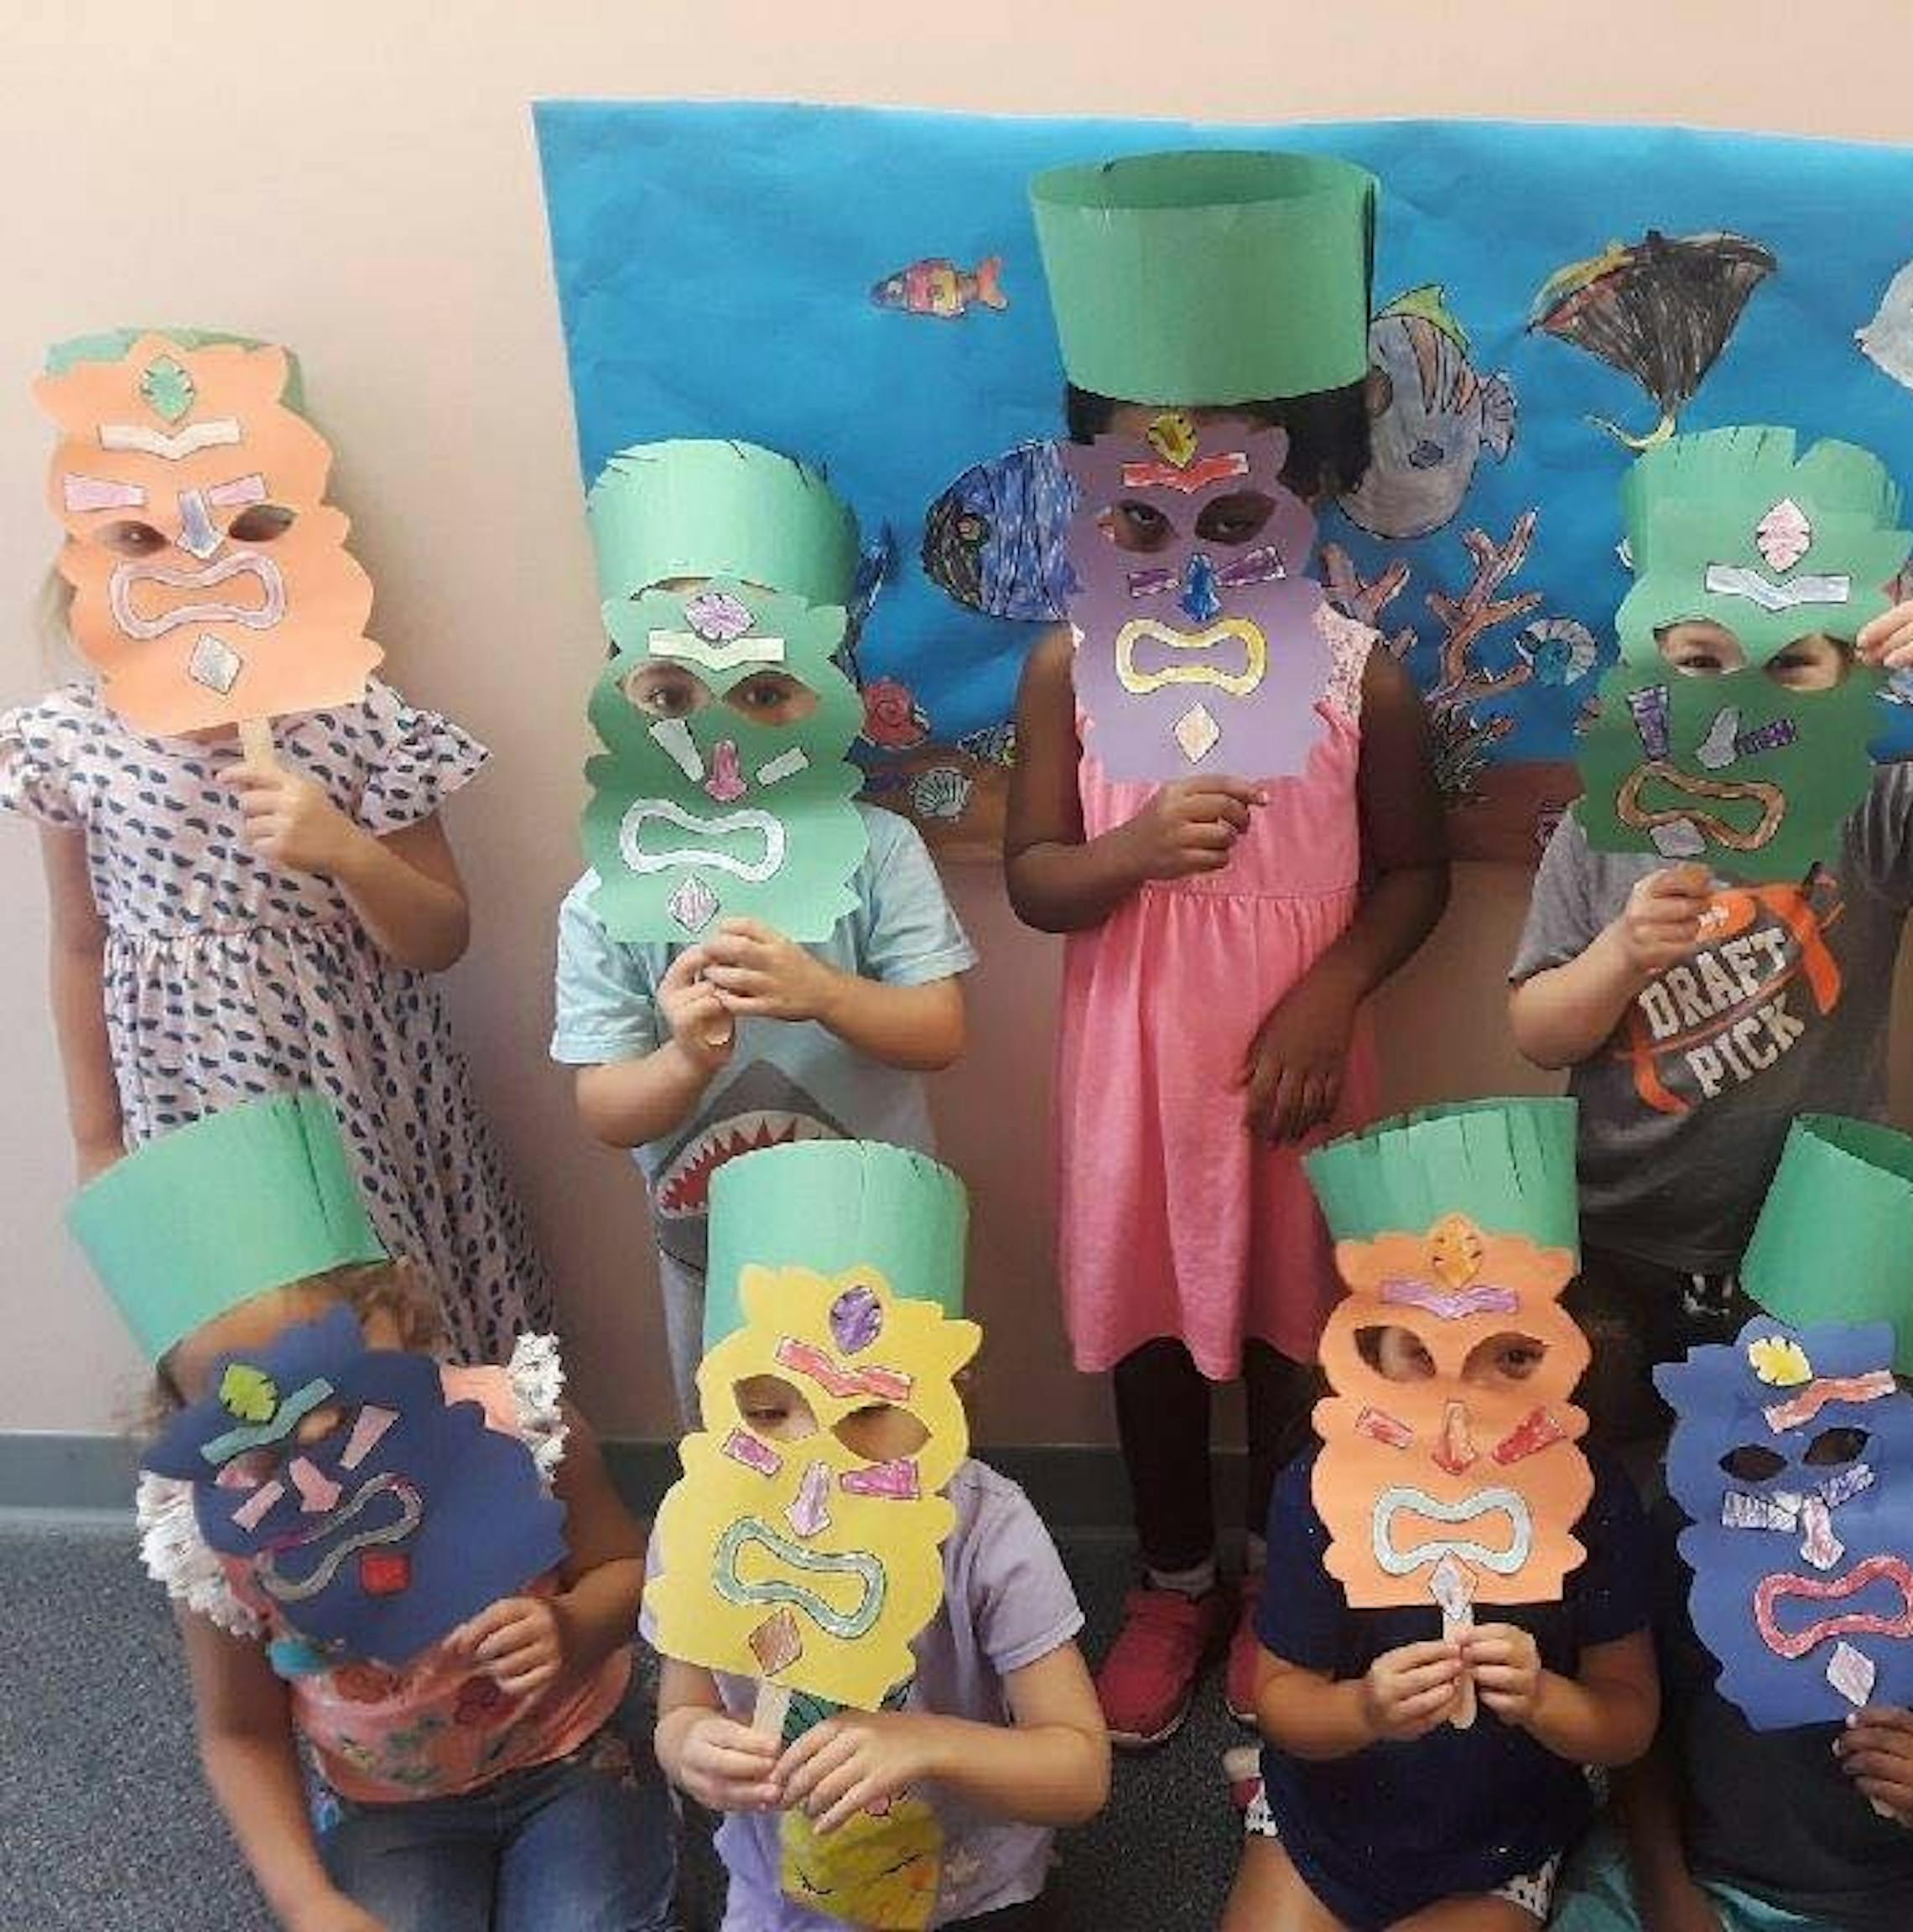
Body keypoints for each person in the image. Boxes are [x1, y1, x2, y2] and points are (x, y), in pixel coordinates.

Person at [1007, 150, 1449, 1743]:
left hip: (1294, 1063)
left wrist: (1331, 992)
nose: (1187, 534)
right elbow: (1035, 884)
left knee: (1289, 1329)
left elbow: (1415, 874)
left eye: (1235, 501)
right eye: (1140, 505)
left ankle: (1283, 1579)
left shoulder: (1356, 675)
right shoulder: (1069, 668)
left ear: (1304, 487)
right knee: (1143, 1325)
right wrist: (1129, 854)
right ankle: (1170, 1578)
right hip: (1132, 1067)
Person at [1507, 427, 1913, 1445]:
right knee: (1599, 1455)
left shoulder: (1874, 814)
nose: (1744, 692)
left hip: (1810, 1237)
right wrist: (1619, 957)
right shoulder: (1599, 825)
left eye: (1792, 663)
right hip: (1619, 1230)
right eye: (1703, 659)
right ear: (1654, 666)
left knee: (1778, 1474)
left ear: (1845, 677)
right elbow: (1538, 1035)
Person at [9, 327, 548, 1359]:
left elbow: (441, 938)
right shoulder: (72, 743)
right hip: (188, 1099)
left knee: (402, 1317)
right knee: (261, 1344)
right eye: (138, 538)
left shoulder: (362, 721)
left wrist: (346, 851)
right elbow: (78, 943)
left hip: (359, 1086)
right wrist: (96, 1138)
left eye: (247, 528)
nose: (196, 567)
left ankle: (474, 1453)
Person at [80, 1094, 671, 1932]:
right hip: (388, 1807)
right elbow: (240, 1732)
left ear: (395, 1310)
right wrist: (307, 1900)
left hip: (572, 1753)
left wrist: (571, 1628)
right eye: (252, 1409)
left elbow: (627, 1571)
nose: (315, 1428)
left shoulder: (520, 1426)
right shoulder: (217, 1538)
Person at [551, 439, 972, 1406]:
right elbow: (604, 1107)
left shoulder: (878, 852)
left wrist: (825, 993)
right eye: (671, 695)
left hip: (878, 1242)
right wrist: (683, 1061)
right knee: (736, 1441)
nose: (722, 733)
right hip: (710, 1254)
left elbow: (941, 1031)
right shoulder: (604, 900)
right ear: (621, 703)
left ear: (826, 697)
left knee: (899, 1433)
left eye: (766, 693)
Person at [1554, 1120, 1913, 1932]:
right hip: (1686, 1876)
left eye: (1849, 1439)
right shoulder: (1685, 1534)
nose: (1802, 1468)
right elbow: (1645, 1738)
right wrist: (1670, 1893)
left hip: (1862, 1909)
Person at [647, 1140, 1110, 1929]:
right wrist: (692, 1745)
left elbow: (1079, 1770)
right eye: (768, 1410)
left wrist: (927, 1742)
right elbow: (679, 1710)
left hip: (967, 1887)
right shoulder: (702, 1521)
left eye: (866, 1412)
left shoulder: (988, 1528)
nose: (813, 1456)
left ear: (950, 1401)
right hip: (783, 1888)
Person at [1229, 1099, 1657, 1930]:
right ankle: (1261, 1796)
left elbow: (1627, 1718)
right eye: (1420, 1354)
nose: (1466, 1401)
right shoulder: (1319, 1492)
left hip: (1498, 1843)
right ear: (1367, 1351)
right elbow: (1281, 1699)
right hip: (1326, 1816)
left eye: (1515, 1356)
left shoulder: (1592, 1500)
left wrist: (1545, 1700)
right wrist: (1362, 1711)